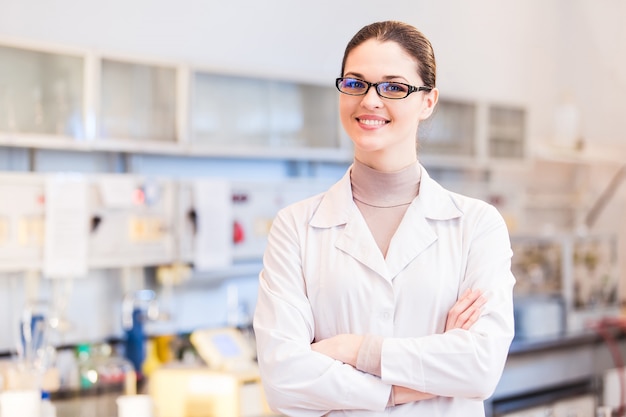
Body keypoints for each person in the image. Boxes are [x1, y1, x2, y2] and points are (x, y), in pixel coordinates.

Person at [253, 20, 515, 416]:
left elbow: (480, 366)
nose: (370, 101)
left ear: (428, 101)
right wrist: (404, 388)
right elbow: (283, 380)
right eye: (356, 83)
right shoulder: (295, 227)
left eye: (393, 87)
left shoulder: (477, 225)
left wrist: (352, 349)